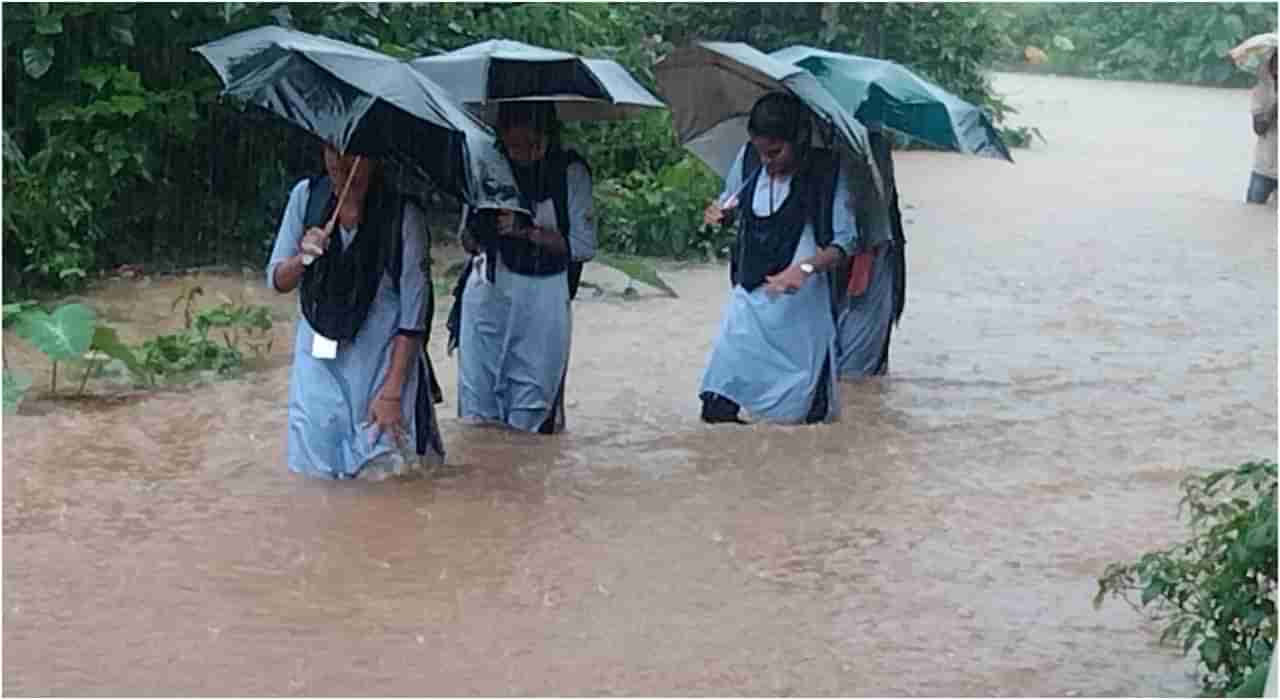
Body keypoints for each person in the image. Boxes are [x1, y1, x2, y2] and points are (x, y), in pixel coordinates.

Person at [266, 142, 445, 480]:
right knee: (313, 476)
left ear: (375, 160)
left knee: (385, 479)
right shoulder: (307, 197)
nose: (342, 165)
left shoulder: (403, 217)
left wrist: (392, 391)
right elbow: (276, 279)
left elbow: (414, 315)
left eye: (355, 155)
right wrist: (303, 259)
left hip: (379, 365)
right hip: (318, 360)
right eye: (333, 152)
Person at [699, 92, 856, 425]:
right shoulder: (748, 161)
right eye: (760, 151)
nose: (767, 160)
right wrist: (719, 214)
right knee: (717, 408)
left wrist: (804, 268)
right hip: (750, 307)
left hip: (802, 317)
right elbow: (729, 201)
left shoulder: (827, 173)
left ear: (799, 140)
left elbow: (845, 242)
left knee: (803, 425)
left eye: (775, 152)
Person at [449, 102, 596, 434]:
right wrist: (482, 227)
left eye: (530, 146)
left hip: (544, 296)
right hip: (488, 292)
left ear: (547, 136)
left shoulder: (570, 173)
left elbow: (583, 247)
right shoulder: (484, 166)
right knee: (477, 411)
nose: (522, 154)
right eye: (513, 146)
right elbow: (466, 241)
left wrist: (527, 231)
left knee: (533, 409)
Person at [837, 128, 905, 378]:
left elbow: (876, 197)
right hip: (844, 253)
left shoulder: (868, 139)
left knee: (854, 373)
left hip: (867, 252)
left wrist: (865, 256)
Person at [1247, 50, 1277, 205]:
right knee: (1252, 215)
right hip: (1264, 168)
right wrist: (1273, 109)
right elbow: (1258, 129)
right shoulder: (1261, 90)